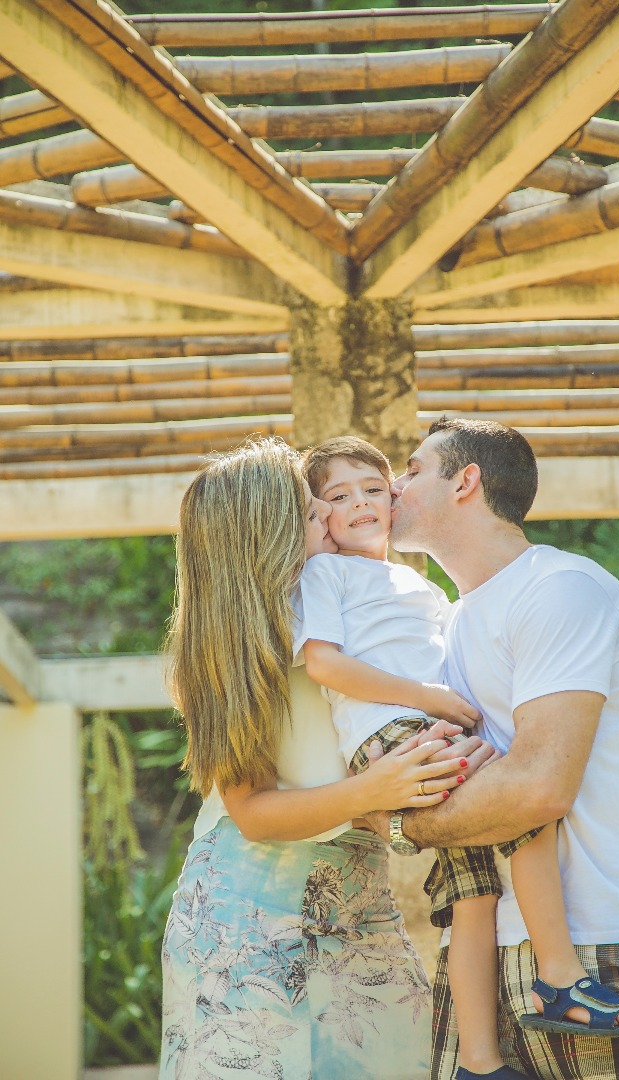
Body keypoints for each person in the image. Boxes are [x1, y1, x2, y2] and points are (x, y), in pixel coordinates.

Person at [296, 436, 619, 1080]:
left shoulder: (421, 586)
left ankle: (480, 1060)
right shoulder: (327, 573)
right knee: (524, 816)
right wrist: (426, 698)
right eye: (339, 497)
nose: (367, 501)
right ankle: (558, 976)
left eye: (376, 487)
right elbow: (322, 663)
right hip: (398, 732)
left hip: (425, 727)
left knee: (476, 896)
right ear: (319, 517)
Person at [366, 416, 619, 1080]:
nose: (392, 486)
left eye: (412, 469)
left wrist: (394, 818)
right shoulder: (448, 622)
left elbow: (539, 787)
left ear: (466, 481)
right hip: (478, 947)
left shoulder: (561, 591)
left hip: (593, 948)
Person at [159, 436, 479, 1080]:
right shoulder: (235, 646)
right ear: (267, 537)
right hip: (245, 909)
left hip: (357, 894)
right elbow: (253, 813)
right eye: (312, 512)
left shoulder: (350, 603)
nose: (330, 516)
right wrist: (373, 792)